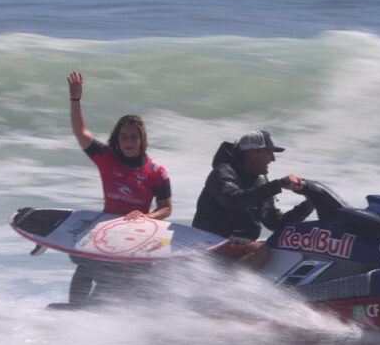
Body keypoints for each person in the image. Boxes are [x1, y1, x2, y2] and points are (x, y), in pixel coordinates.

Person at [58, 71, 172, 307]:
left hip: (137, 234)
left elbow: (166, 209)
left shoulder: (156, 171)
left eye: (133, 137)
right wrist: (75, 100)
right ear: (117, 139)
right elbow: (82, 133)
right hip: (107, 230)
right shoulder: (106, 158)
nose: (128, 142)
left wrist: (146, 216)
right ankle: (75, 309)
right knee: (87, 264)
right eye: (124, 137)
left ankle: (106, 313)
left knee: (126, 283)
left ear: (141, 140)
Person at [192, 130, 313, 267]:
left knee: (281, 250)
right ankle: (225, 287)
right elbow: (233, 201)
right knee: (260, 251)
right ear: (252, 153)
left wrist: (310, 203)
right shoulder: (222, 172)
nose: (273, 159)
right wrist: (277, 185)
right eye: (269, 153)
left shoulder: (259, 182)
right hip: (210, 241)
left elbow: (275, 223)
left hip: (237, 245)